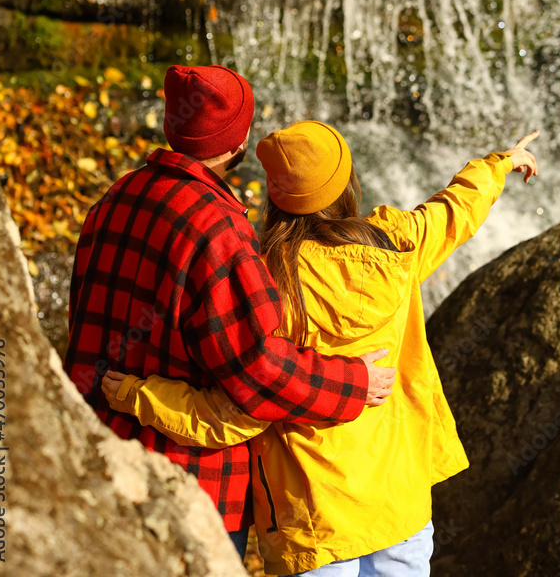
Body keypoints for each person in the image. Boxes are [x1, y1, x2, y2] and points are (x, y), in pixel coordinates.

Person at [102, 120, 540, 575]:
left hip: (313, 521)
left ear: (275, 194)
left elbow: (241, 408)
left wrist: (139, 395)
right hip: (400, 503)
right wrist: (500, 164)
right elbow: (454, 210)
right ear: (346, 181)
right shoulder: (398, 244)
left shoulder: (265, 282)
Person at [63, 67, 395, 560]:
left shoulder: (115, 197)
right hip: (187, 483)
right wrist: (353, 384)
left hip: (94, 451)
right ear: (238, 144)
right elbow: (258, 369)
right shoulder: (219, 229)